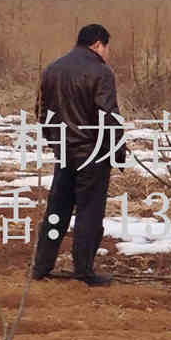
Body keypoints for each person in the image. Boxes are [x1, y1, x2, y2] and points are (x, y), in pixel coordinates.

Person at [32, 23, 126, 287]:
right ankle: (84, 271)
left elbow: (41, 111)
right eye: (106, 47)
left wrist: (55, 141)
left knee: (57, 210)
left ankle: (41, 266)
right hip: (92, 154)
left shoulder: (53, 68)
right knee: (89, 214)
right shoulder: (101, 71)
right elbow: (109, 116)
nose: (107, 53)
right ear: (98, 44)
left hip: (64, 152)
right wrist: (117, 152)